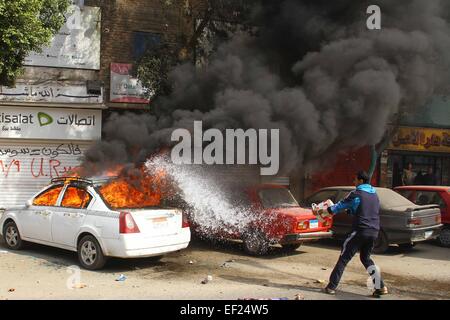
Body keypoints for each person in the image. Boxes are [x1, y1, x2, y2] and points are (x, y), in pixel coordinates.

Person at [321, 171, 388, 297]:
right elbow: (363, 210)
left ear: (361, 181)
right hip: (374, 231)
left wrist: (327, 210)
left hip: (360, 230)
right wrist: (351, 211)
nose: (354, 182)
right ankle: (381, 287)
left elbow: (340, 205)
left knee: (344, 258)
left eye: (355, 180)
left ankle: (331, 287)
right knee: (366, 258)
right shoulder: (375, 195)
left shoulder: (356, 193)